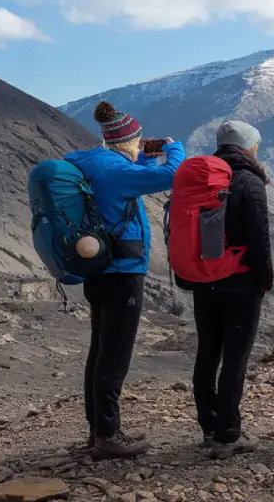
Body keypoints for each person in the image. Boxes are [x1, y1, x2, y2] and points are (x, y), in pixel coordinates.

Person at [64, 101, 184, 459]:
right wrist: (172, 146)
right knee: (114, 356)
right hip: (122, 271)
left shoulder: (96, 164)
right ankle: (108, 438)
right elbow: (172, 174)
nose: (143, 143)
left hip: (98, 266)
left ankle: (98, 429)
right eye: (139, 139)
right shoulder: (116, 172)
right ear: (126, 141)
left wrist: (145, 155)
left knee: (100, 350)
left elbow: (135, 175)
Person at [175, 121, 274, 459]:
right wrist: (264, 279)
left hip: (204, 280)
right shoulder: (250, 182)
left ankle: (208, 425)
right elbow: (260, 237)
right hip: (241, 284)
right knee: (235, 358)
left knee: (208, 352)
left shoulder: (202, 182)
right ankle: (228, 434)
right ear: (248, 147)